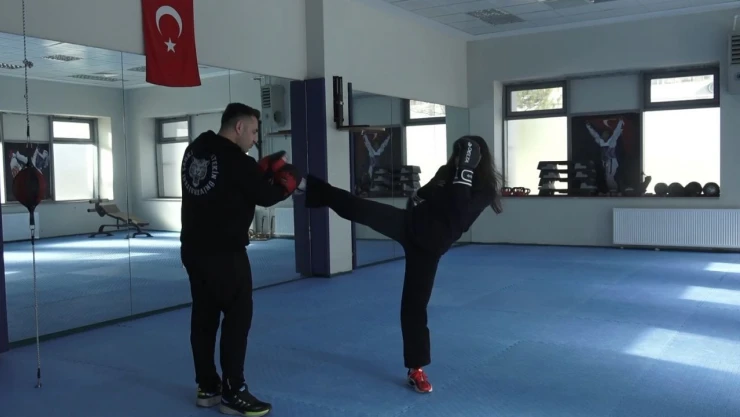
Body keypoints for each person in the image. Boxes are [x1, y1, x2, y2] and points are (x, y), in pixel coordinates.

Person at [302, 135, 502, 393]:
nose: (456, 159)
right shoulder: (446, 171)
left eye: (462, 154)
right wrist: (425, 196)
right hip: (409, 224)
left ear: (477, 158)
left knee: (414, 307)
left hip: (430, 248)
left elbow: (459, 213)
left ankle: (416, 369)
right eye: (457, 153)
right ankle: (306, 185)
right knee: (358, 207)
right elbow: (423, 193)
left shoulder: (484, 189)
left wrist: (465, 171)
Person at [180, 102, 302, 416]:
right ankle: (234, 392)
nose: (255, 138)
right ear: (239, 127)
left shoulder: (194, 151)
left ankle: (207, 386)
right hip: (224, 253)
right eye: (254, 130)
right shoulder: (236, 160)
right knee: (237, 317)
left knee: (204, 316)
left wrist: (258, 172)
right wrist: (288, 182)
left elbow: (225, 187)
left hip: (193, 249)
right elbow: (265, 196)